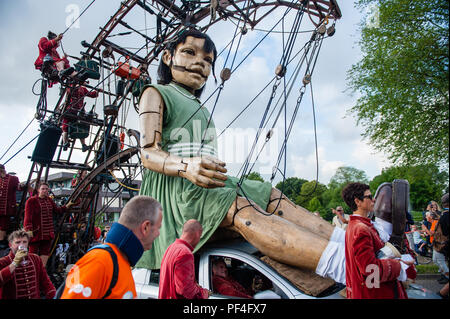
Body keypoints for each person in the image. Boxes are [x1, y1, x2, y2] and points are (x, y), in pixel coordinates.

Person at [137, 28, 347, 284]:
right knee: (240, 208)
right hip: (173, 195)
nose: (199, 64)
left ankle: (347, 243)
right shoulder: (156, 93)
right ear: (168, 57)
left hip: (203, 186)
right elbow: (148, 153)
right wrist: (185, 166)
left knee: (268, 194)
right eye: (189, 53)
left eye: (207, 61)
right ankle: (345, 264)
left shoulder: (199, 107)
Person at [61, 195, 162, 299]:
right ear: (145, 227)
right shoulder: (101, 261)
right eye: (158, 228)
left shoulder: (120, 261)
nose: (158, 234)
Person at [342, 182, 412, 299]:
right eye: (369, 197)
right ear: (357, 201)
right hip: (373, 293)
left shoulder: (358, 225)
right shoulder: (361, 229)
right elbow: (369, 269)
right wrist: (398, 265)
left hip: (370, 290)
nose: (373, 199)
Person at [23, 182, 73, 267]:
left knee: (45, 253)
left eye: (46, 189)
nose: (45, 191)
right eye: (43, 189)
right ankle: (31, 270)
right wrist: (28, 229)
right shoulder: (31, 201)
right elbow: (28, 217)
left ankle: (42, 271)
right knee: (32, 253)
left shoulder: (49, 200)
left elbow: (57, 210)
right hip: (36, 233)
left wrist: (66, 206)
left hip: (47, 233)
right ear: (38, 190)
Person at [159, 219, 210, 299]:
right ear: (197, 234)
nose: (199, 240)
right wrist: (203, 293)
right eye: (200, 237)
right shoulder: (185, 254)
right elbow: (185, 290)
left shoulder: (171, 247)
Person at [0, 230, 55, 299]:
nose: (21, 245)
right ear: (10, 245)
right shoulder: (3, 262)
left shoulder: (35, 259)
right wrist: (14, 263)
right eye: (18, 242)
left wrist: (55, 296)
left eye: (24, 242)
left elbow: (46, 283)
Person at [61, 83, 99, 151]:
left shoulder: (83, 89)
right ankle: (65, 143)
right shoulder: (71, 86)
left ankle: (83, 145)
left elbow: (91, 94)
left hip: (79, 111)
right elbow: (70, 92)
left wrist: (97, 91)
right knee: (65, 127)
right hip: (70, 109)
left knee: (81, 126)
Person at [0, 164, 25, 249]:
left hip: (7, 208)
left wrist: (21, 186)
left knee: (3, 225)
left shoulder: (13, 178)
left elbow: (19, 188)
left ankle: (1, 241)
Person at [433, 193, 449, 285]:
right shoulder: (445, 214)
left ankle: (447, 277)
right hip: (441, 242)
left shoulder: (446, 215)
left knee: (440, 260)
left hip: (443, 242)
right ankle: (445, 275)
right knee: (437, 260)